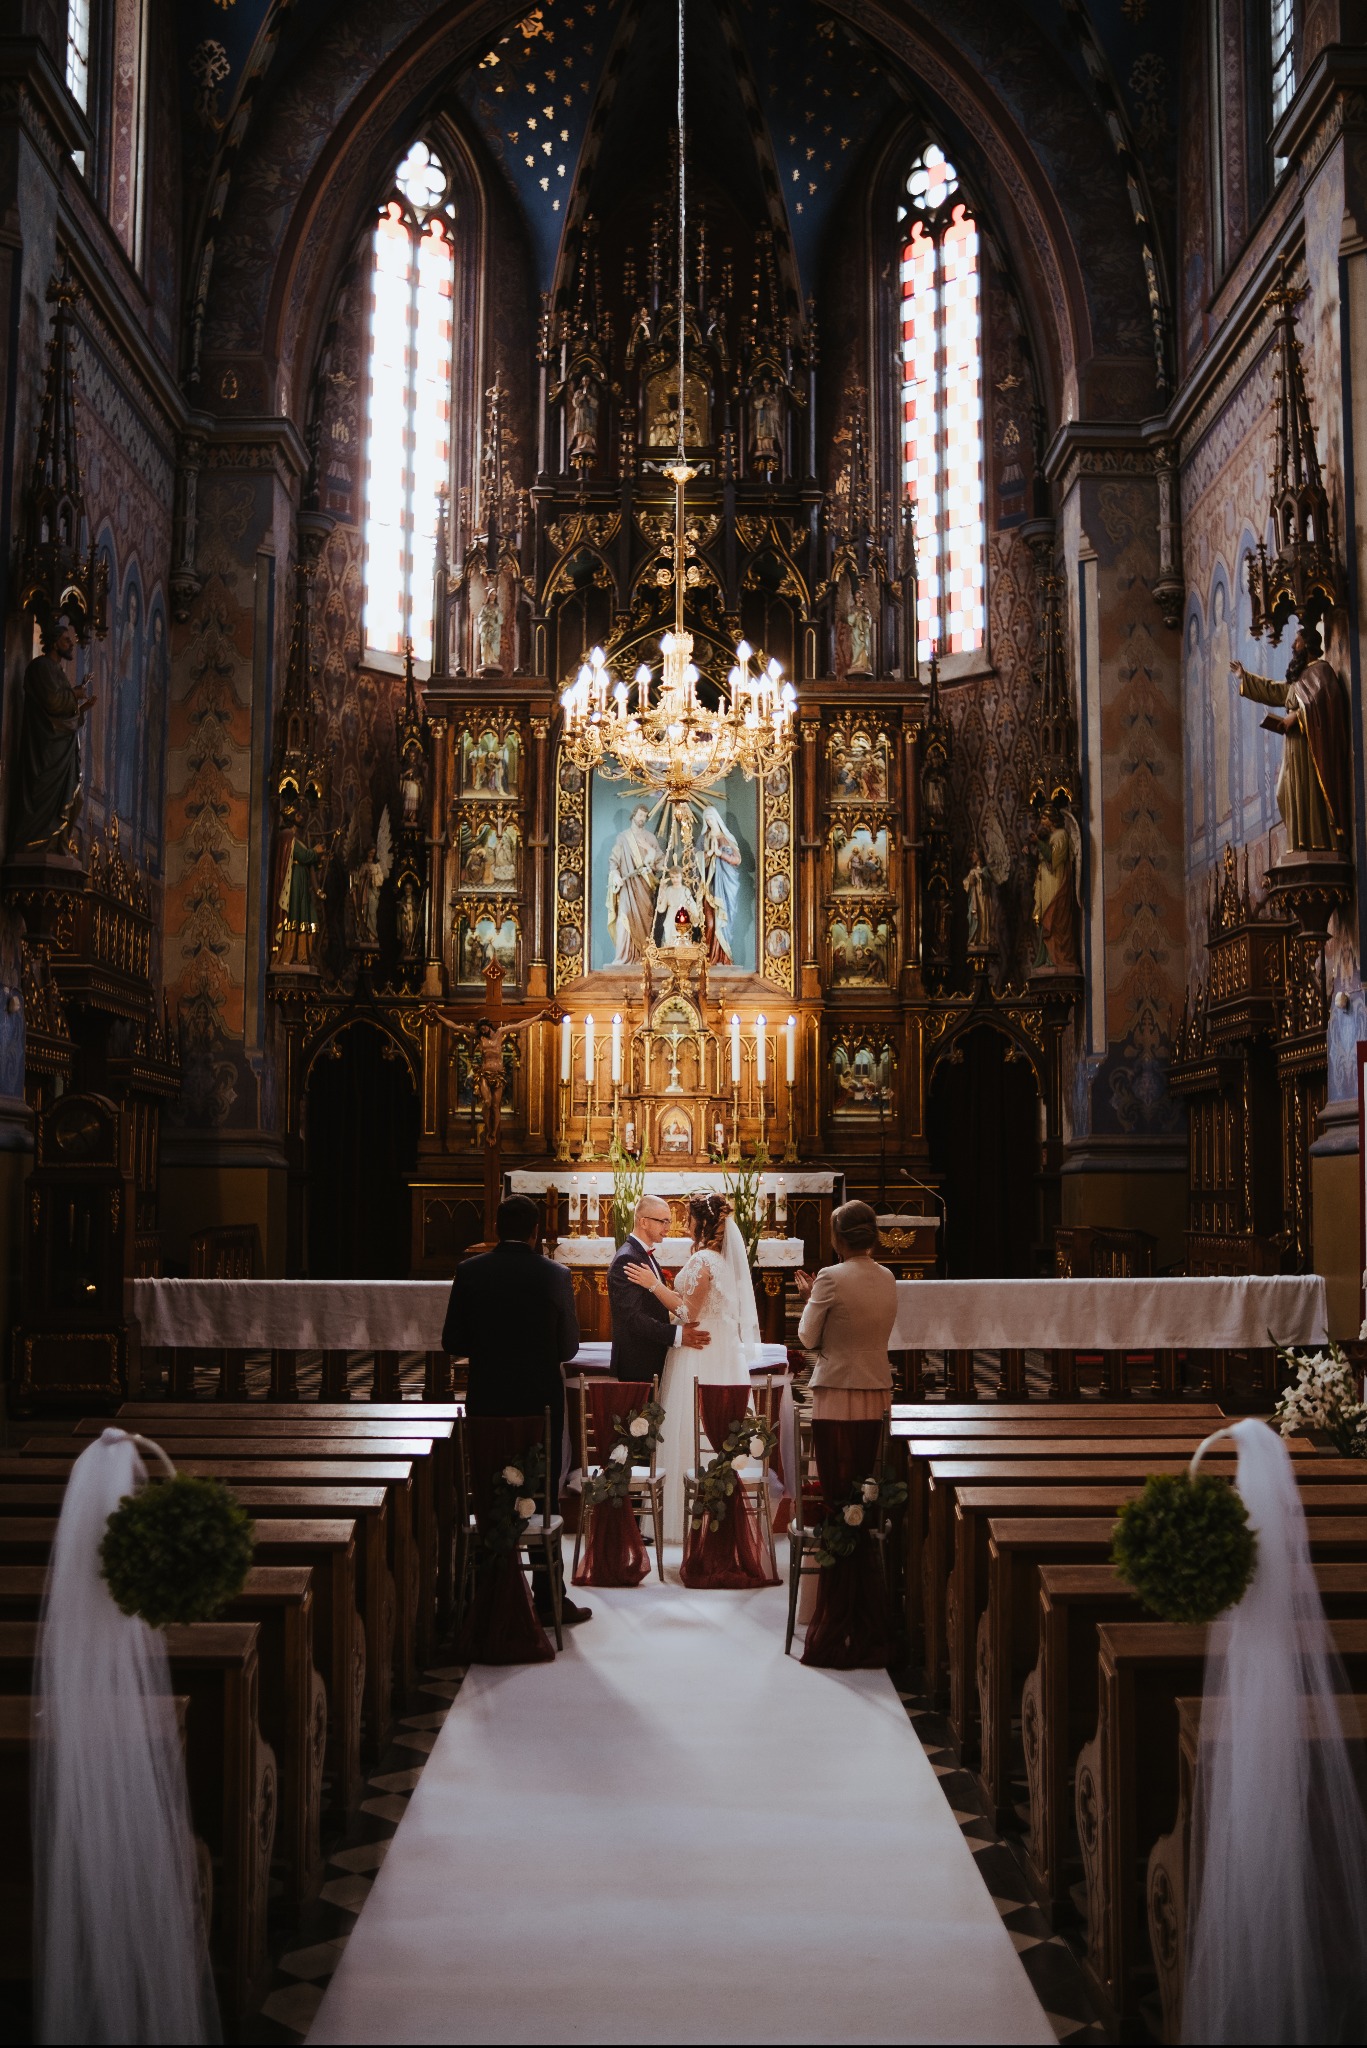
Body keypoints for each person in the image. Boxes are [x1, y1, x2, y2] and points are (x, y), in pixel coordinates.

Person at [442, 1194, 591, 1626]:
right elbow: (568, 1347)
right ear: (536, 1232)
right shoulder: (555, 1274)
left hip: (488, 1399)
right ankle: (549, 1599)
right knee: (541, 1497)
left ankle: (485, 1592)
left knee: (490, 1489)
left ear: (495, 1228)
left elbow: (453, 1341)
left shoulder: (470, 1272)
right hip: (538, 1402)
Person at [623, 1193, 756, 1544]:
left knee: (690, 1422)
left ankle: (688, 1511)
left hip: (697, 1353)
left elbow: (688, 1314)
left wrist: (654, 1286)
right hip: (719, 1351)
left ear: (702, 1223)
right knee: (711, 1424)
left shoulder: (703, 1261)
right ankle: (713, 1509)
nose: (682, 1226)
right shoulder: (722, 1262)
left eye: (687, 1220)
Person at [794, 1200, 895, 1424]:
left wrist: (810, 1299)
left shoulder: (830, 1276)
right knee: (870, 1457)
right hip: (878, 1385)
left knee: (836, 1458)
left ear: (838, 1238)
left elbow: (808, 1338)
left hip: (838, 1387)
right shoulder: (887, 1276)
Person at [8, 611, 94, 858]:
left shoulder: (58, 672)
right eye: (67, 640)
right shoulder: (40, 667)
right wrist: (75, 696)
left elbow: (65, 710)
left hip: (62, 749)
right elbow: (54, 702)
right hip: (45, 750)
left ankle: (57, 846)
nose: (71, 644)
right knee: (43, 799)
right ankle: (33, 845)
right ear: (55, 641)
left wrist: (81, 708)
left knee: (73, 797)